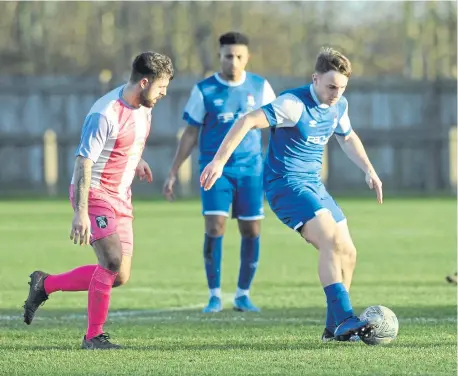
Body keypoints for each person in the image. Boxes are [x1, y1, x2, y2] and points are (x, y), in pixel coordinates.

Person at [200, 47, 383, 342]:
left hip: (313, 185)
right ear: (315, 79)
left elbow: (347, 137)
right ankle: (345, 317)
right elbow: (246, 121)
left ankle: (332, 328)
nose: (336, 93)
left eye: (342, 87)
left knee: (348, 252)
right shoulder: (292, 103)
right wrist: (219, 161)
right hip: (285, 185)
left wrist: (369, 169)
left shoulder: (339, 105)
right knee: (330, 240)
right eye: (331, 86)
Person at [23, 51, 174, 349]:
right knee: (112, 260)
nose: (164, 93)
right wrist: (80, 213)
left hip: (121, 197)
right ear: (144, 82)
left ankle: (46, 284)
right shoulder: (104, 113)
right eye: (161, 87)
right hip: (93, 193)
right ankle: (93, 336)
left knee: (119, 275)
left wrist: (136, 160)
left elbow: (125, 140)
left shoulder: (145, 107)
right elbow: (84, 162)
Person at [163, 32, 276, 313]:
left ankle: (242, 294)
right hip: (215, 172)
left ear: (247, 57)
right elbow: (190, 134)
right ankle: (214, 295)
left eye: (239, 56)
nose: (234, 61)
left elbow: (278, 127)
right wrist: (174, 170)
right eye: (228, 56)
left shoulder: (261, 88)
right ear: (220, 56)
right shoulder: (204, 90)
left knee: (251, 229)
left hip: (251, 171)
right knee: (215, 226)